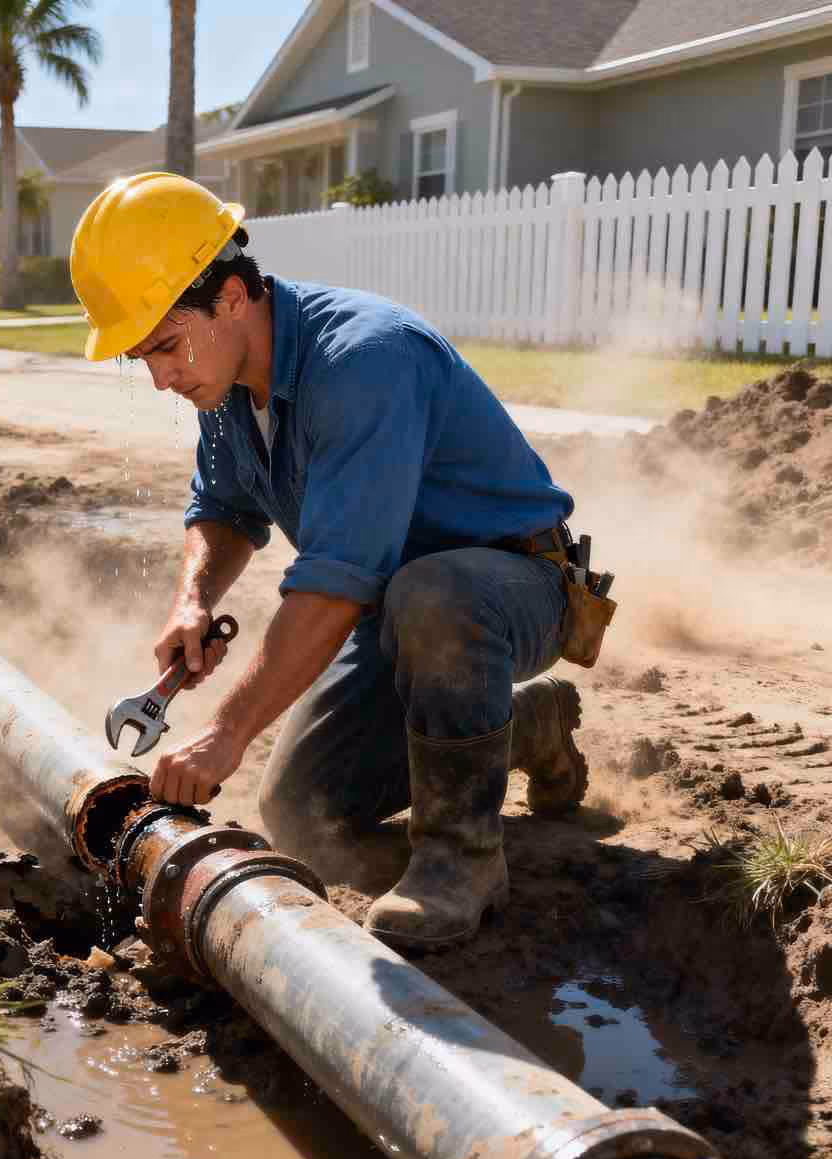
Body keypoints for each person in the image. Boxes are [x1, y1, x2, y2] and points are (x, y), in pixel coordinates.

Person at [70, 173, 591, 952]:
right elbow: (223, 510)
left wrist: (223, 733)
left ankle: (462, 861)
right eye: (143, 358)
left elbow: (335, 585)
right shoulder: (227, 389)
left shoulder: (364, 362)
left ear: (235, 295)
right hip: (397, 611)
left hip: (513, 584)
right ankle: (520, 727)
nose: (162, 377)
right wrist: (191, 601)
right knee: (303, 805)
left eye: (168, 346)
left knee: (434, 592)